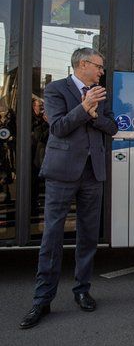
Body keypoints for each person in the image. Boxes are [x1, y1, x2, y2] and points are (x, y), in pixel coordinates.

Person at [20, 48, 118, 329]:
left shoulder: (100, 91)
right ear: (83, 64)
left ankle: (82, 290)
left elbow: (110, 127)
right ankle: (42, 299)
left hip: (93, 174)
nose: (101, 71)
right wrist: (84, 108)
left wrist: (93, 114)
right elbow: (59, 127)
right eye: (99, 66)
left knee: (88, 236)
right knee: (52, 235)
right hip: (62, 173)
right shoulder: (55, 89)